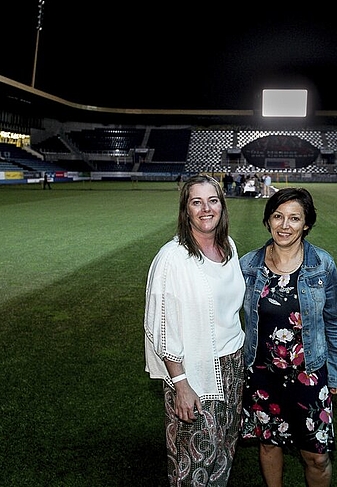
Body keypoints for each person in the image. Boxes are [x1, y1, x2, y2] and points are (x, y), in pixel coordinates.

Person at [239, 187, 337, 487]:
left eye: (294, 218)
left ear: (307, 224)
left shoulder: (322, 265)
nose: (284, 225)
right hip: (262, 374)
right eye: (277, 216)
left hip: (309, 375)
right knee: (269, 444)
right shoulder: (248, 265)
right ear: (267, 221)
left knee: (316, 456)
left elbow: (336, 322)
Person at [144, 174, 246, 486]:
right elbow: (161, 327)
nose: (206, 208)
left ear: (222, 206)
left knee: (225, 448)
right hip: (195, 373)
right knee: (193, 461)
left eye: (212, 200)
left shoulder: (228, 247)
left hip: (233, 366)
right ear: (186, 209)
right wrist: (180, 384)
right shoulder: (173, 259)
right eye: (196, 202)